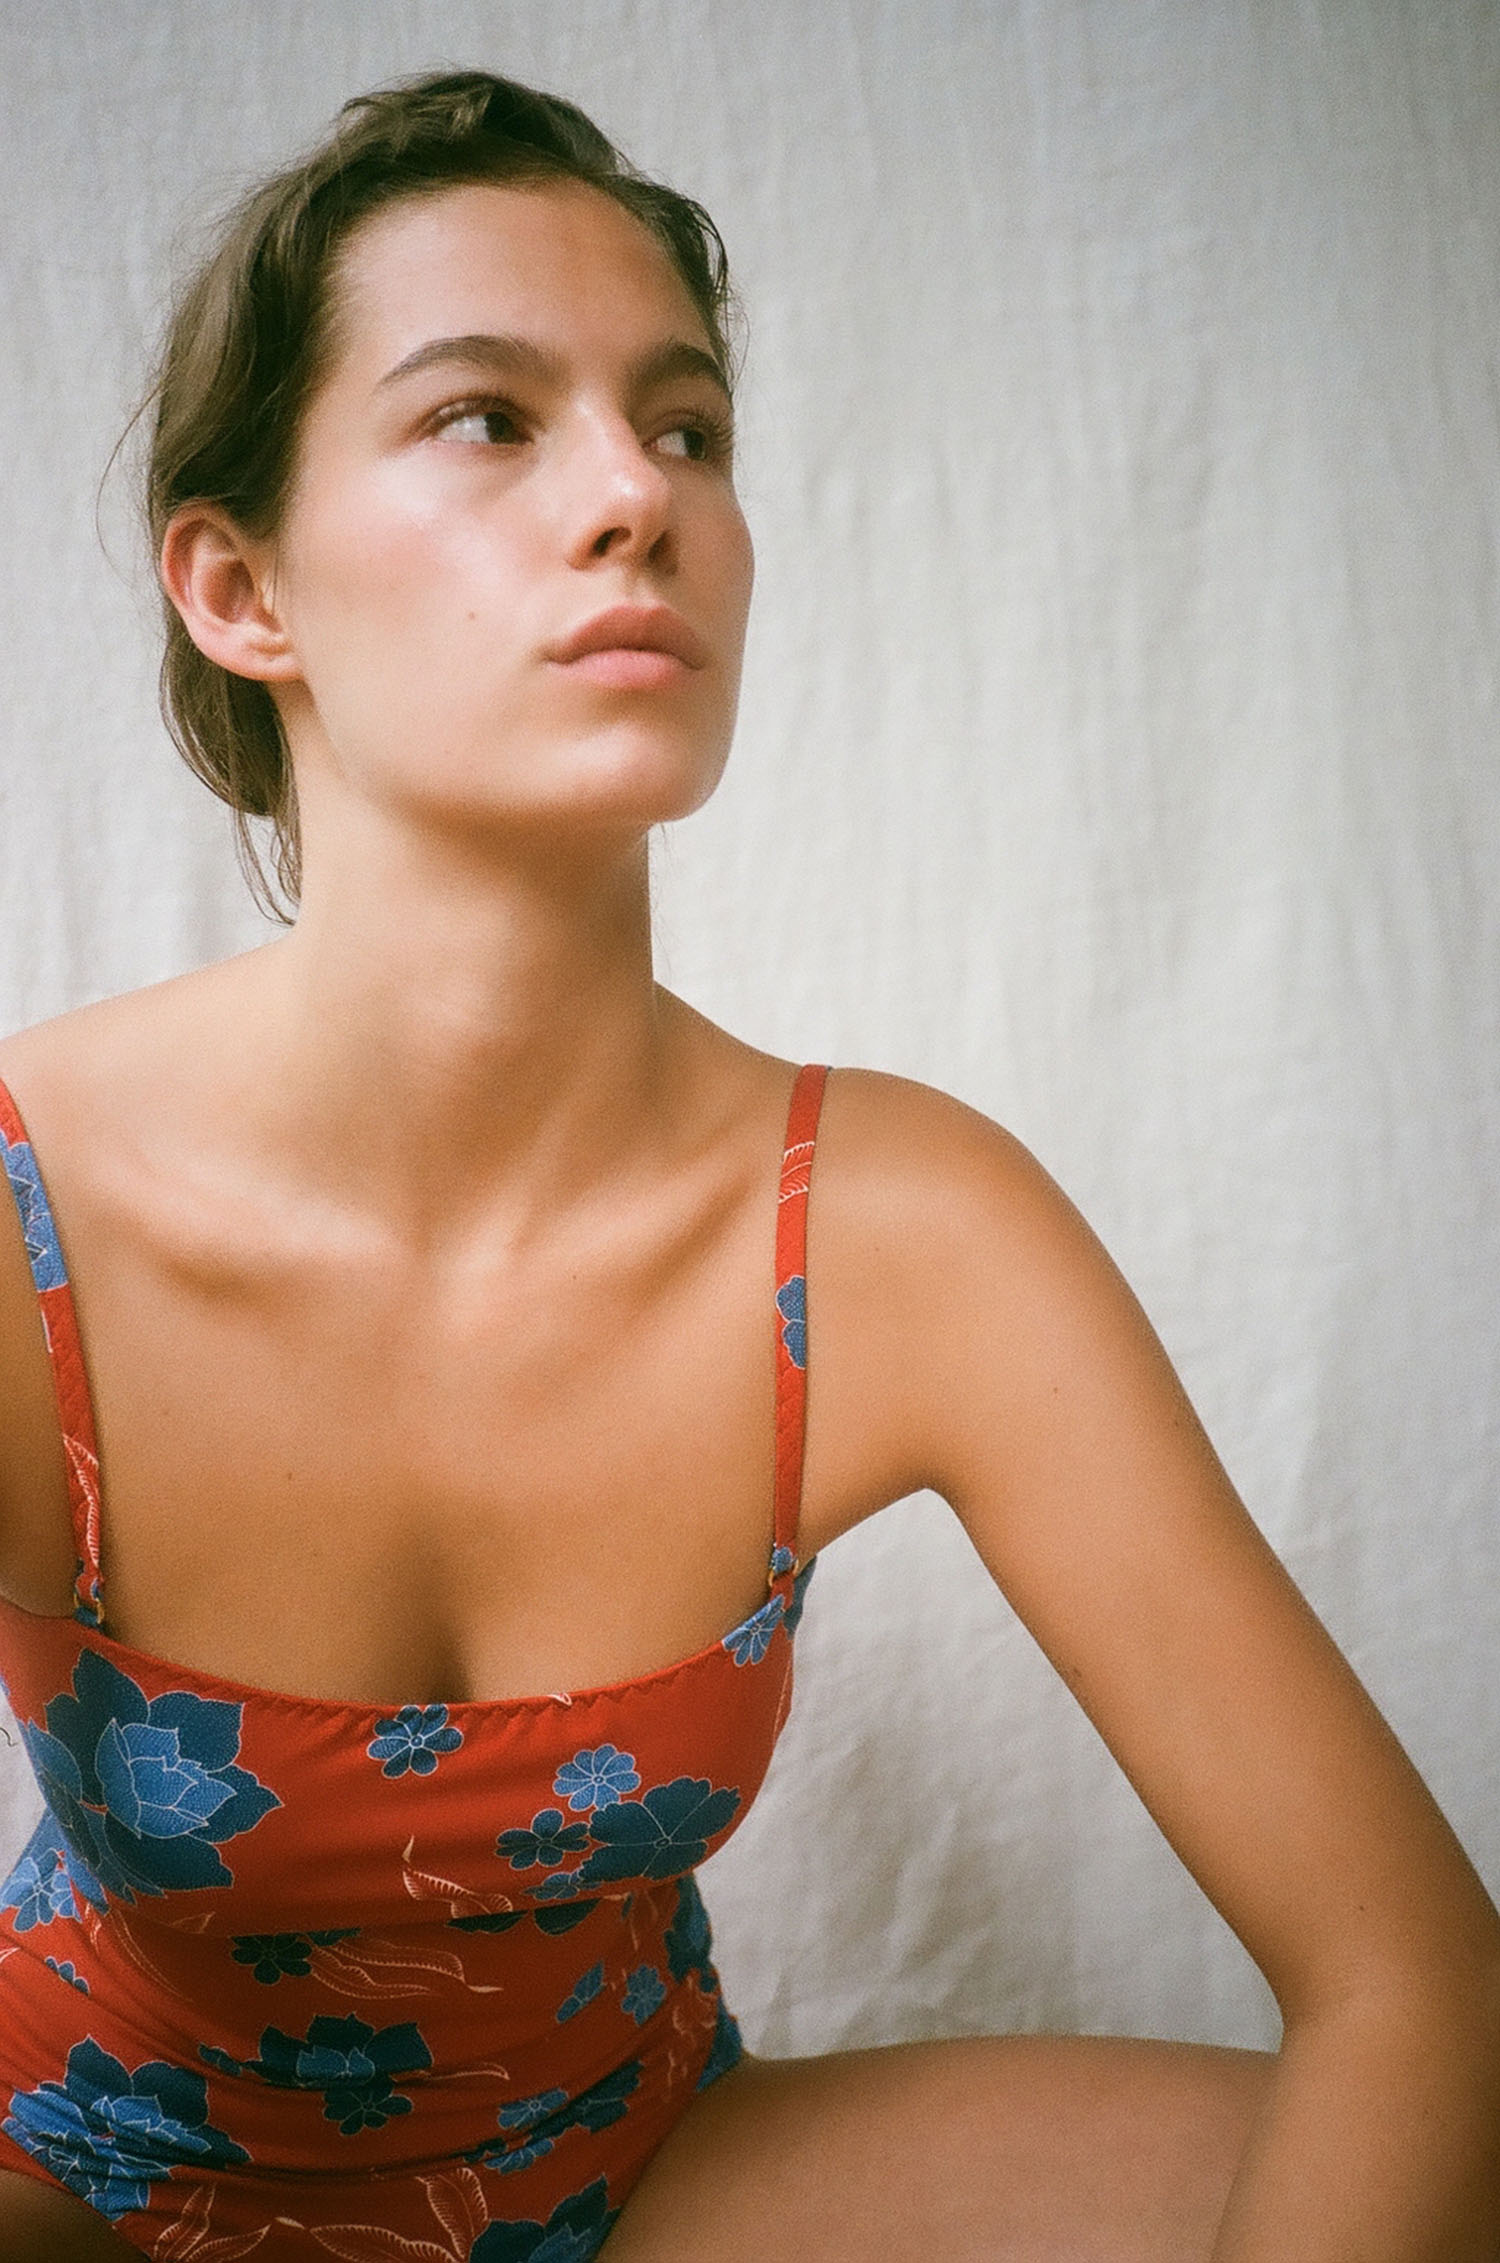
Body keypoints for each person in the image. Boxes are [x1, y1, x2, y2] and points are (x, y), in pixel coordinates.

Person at [0, 68, 1494, 2263]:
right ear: (242, 588)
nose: (638, 493)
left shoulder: (899, 1232)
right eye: (487, 417)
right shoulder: (31, 1215)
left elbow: (1412, 1977)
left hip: (633, 2178)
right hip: (91, 2190)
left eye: (686, 423)